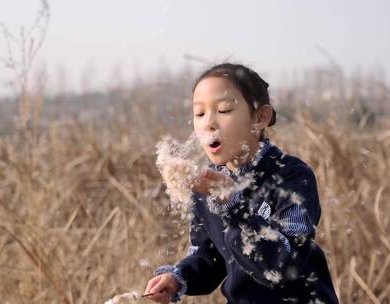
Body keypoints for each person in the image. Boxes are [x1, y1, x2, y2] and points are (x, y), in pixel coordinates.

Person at [144, 62, 339, 304]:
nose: (209, 123)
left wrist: (234, 207)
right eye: (200, 113)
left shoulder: (291, 176)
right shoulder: (209, 187)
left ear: (260, 118)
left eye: (224, 110)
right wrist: (179, 278)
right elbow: (209, 259)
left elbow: (283, 266)